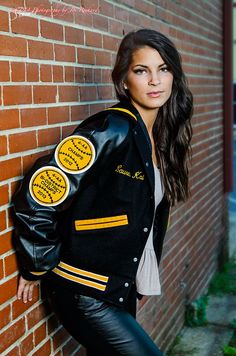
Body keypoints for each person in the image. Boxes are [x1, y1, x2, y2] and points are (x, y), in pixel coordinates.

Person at [13, 29, 193, 355]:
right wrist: (36, 261)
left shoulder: (157, 138)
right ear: (124, 80)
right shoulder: (111, 129)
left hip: (118, 289)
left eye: (163, 69)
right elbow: (42, 188)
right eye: (142, 70)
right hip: (85, 292)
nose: (155, 80)